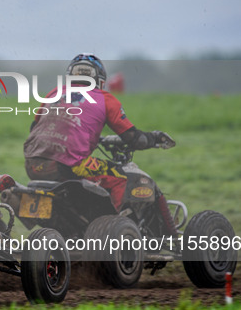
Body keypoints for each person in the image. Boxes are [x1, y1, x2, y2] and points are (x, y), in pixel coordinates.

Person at [23, 53, 173, 212]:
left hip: (32, 165)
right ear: (100, 79)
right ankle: (111, 226)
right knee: (122, 178)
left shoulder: (53, 94)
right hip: (68, 165)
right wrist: (155, 138)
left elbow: (35, 128)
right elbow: (135, 139)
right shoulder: (105, 98)